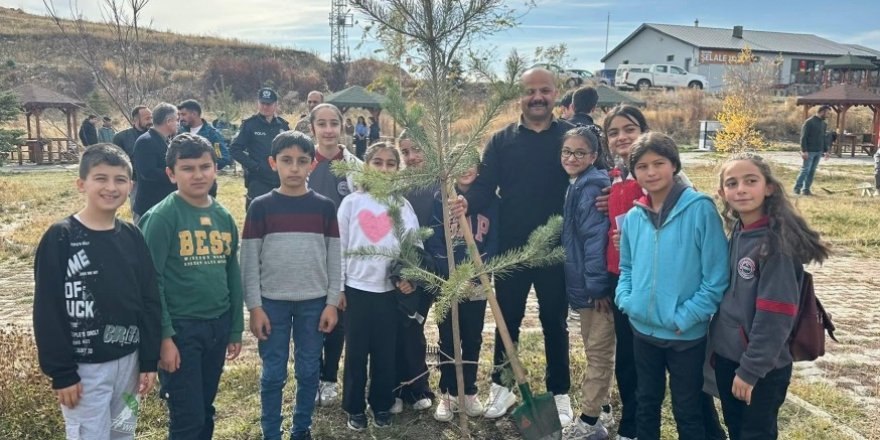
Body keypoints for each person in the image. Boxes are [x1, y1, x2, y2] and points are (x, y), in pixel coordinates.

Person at [451, 68, 576, 424]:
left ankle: (560, 392)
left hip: (556, 249)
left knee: (555, 322)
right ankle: (503, 387)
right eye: (530, 91)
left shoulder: (570, 138)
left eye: (545, 91)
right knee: (508, 320)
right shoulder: (501, 140)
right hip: (512, 249)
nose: (537, 97)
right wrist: (466, 203)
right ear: (519, 96)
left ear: (556, 94)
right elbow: (484, 186)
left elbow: (591, 176)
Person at [602, 105, 726, 440]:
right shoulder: (637, 216)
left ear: (674, 166)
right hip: (643, 331)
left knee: (687, 409)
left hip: (685, 335)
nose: (651, 172)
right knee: (646, 403)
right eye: (642, 166)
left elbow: (716, 277)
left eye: (659, 164)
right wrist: (628, 301)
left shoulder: (699, 210)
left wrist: (687, 316)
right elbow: (626, 267)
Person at [33, 143, 162, 440]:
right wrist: (62, 372)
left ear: (131, 185)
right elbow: (47, 310)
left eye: (119, 179)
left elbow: (149, 299)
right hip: (84, 369)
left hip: (129, 362)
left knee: (123, 434)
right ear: (82, 183)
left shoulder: (132, 234)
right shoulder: (61, 237)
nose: (111, 187)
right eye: (100, 178)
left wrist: (148, 359)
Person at [712, 153, 830, 440]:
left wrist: (750, 370)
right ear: (722, 193)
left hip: (760, 368)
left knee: (755, 433)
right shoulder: (738, 233)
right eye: (732, 183)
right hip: (730, 359)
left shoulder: (775, 246)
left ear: (769, 187)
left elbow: (774, 318)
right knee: (738, 429)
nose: (740, 189)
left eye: (750, 181)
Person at [139, 134, 244, 439]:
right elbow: (150, 283)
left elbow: (231, 274)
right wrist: (164, 338)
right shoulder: (162, 217)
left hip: (217, 325)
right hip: (181, 331)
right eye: (187, 168)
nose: (198, 175)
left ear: (216, 169)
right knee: (188, 417)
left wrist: (234, 328)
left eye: (205, 166)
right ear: (171, 174)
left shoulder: (223, 216)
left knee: (206, 408)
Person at [242, 131, 341, 440]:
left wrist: (331, 302)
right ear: (274, 163)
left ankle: (301, 429)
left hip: (315, 303)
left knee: (309, 370)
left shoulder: (325, 208)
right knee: (273, 373)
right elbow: (248, 262)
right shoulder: (260, 207)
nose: (294, 168)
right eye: (287, 161)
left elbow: (335, 258)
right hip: (271, 304)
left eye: (302, 161)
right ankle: (271, 432)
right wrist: (255, 307)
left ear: (312, 165)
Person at [339, 142, 420, 431]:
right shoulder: (352, 203)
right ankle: (354, 407)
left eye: (390, 164)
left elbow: (414, 246)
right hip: (357, 291)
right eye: (378, 162)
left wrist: (409, 275)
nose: (384, 168)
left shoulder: (402, 205)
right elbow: (339, 245)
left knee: (385, 352)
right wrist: (338, 288)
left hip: (389, 292)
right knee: (357, 352)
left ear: (397, 170)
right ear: (367, 165)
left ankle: (381, 404)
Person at [425, 164, 498, 422]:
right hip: (448, 280)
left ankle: (468, 391)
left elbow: (495, 239)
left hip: (477, 280)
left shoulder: (490, 200)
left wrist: (480, 269)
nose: (465, 168)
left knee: (472, 336)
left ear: (479, 169)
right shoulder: (439, 200)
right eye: (459, 163)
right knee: (447, 336)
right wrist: (448, 270)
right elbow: (432, 239)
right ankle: (448, 393)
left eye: (471, 163)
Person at [559, 127, 614, 438]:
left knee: (598, 351)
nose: (572, 157)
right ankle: (603, 409)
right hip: (584, 285)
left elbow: (595, 239)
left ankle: (590, 422)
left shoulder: (591, 187)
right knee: (595, 350)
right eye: (567, 151)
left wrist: (596, 287)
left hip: (596, 290)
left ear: (594, 156)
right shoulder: (577, 184)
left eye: (580, 153)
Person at [307, 103, 362, 407]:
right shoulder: (304, 162)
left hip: (343, 255)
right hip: (309, 253)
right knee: (310, 317)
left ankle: (329, 378)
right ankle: (311, 374)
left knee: (337, 318)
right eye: (322, 124)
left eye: (334, 124)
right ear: (312, 128)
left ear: (342, 127)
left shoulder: (355, 166)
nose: (328, 130)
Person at [393, 131, 438, 413]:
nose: (411, 157)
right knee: (400, 327)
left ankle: (418, 386)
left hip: (430, 268)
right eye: (405, 152)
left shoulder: (440, 184)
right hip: (402, 268)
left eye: (416, 150)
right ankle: (396, 386)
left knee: (415, 327)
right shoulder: (398, 188)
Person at [231, 88, 291, 210]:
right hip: (259, 181)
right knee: (257, 220)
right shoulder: (250, 125)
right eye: (262, 103)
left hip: (280, 181)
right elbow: (235, 149)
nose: (265, 107)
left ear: (276, 105)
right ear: (258, 103)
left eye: (268, 104)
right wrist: (254, 166)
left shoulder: (283, 126)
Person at [132, 103, 179, 223]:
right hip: (149, 209)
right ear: (168, 121)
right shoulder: (146, 141)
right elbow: (148, 172)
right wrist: (177, 174)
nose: (178, 123)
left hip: (163, 207)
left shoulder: (165, 140)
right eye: (176, 120)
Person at [113, 105, 153, 212]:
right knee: (139, 215)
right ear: (135, 120)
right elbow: (116, 162)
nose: (151, 121)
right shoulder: (121, 138)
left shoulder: (156, 135)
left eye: (151, 117)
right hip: (136, 183)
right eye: (147, 118)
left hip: (155, 181)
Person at [177, 99, 231, 171]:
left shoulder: (212, 134)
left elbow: (223, 158)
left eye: (183, 114)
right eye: (179, 115)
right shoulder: (179, 132)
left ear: (194, 114)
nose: (180, 118)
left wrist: (202, 165)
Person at [793, 105, 831, 196]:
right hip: (809, 151)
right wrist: (804, 150)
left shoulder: (823, 124)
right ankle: (797, 189)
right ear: (822, 112)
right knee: (805, 170)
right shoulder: (809, 122)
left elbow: (823, 138)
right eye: (827, 113)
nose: (828, 115)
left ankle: (806, 190)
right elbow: (803, 137)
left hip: (818, 151)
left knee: (812, 171)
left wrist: (826, 151)